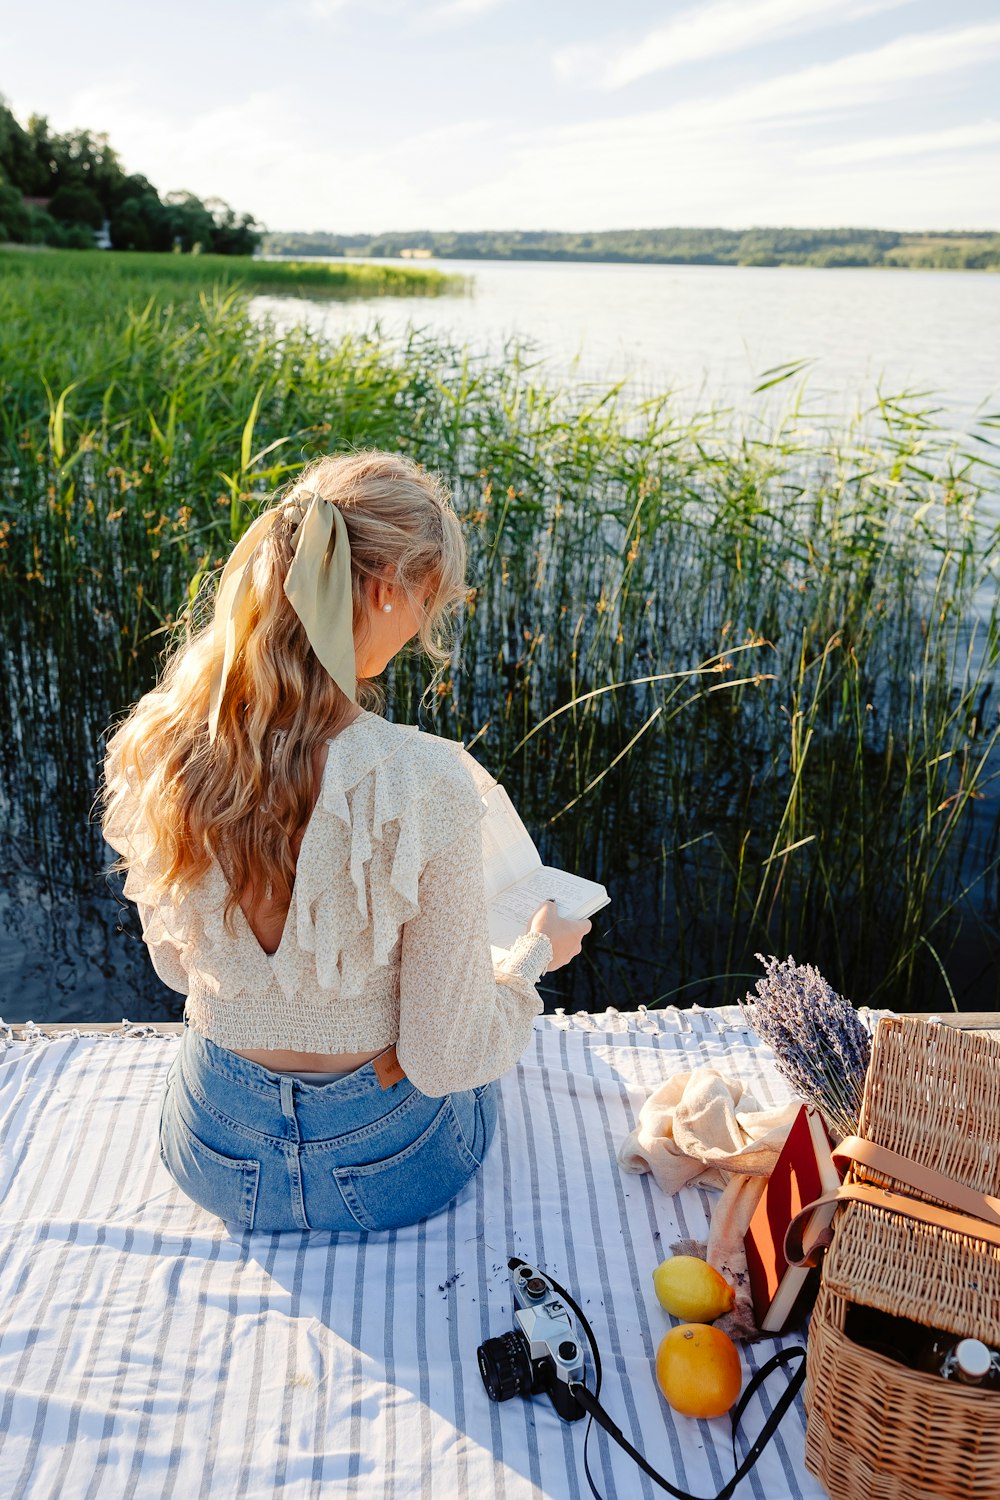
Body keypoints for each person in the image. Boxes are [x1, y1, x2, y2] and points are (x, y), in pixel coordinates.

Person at [100, 449, 590, 1233]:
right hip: (388, 1165)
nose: (427, 621)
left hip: (215, 1152)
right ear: (384, 586)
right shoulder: (423, 779)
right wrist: (533, 957)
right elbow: (446, 1059)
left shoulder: (160, 746)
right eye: (429, 596)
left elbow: (175, 967)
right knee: (479, 1045)